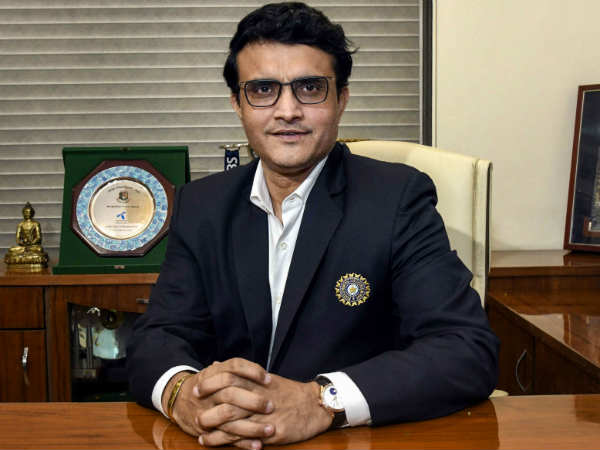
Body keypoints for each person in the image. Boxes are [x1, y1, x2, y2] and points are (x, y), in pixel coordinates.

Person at [127, 2, 499, 449]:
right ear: (237, 103)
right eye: (263, 89)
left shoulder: (397, 199)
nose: (287, 110)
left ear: (341, 99)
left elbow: (465, 348)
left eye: (309, 88)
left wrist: (322, 401)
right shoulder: (202, 204)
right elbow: (159, 336)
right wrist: (181, 393)